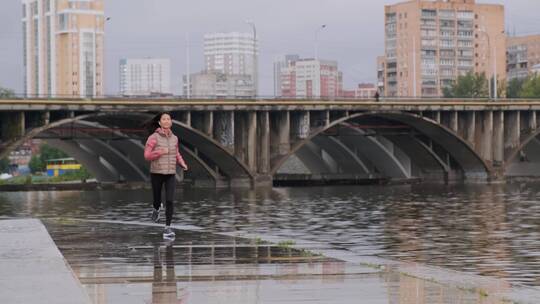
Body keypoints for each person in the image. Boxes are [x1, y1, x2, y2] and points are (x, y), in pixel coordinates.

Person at [144, 112, 188, 239]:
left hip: (170, 174)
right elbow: (147, 156)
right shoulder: (153, 138)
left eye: (169, 119)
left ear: (171, 122)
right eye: (164, 119)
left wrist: (182, 163)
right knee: (157, 200)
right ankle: (156, 209)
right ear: (159, 122)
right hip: (156, 173)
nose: (167, 121)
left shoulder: (175, 138)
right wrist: (160, 152)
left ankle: (167, 228)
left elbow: (176, 153)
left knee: (170, 200)